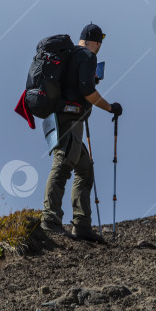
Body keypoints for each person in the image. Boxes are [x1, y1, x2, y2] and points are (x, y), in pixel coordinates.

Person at [40, 23, 122, 242]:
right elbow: (87, 91)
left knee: (85, 169)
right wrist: (110, 107)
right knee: (63, 163)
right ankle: (49, 218)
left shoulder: (71, 55)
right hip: (70, 119)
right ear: (96, 41)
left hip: (59, 117)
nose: (100, 48)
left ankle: (82, 225)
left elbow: (76, 85)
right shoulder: (87, 56)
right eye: (100, 43)